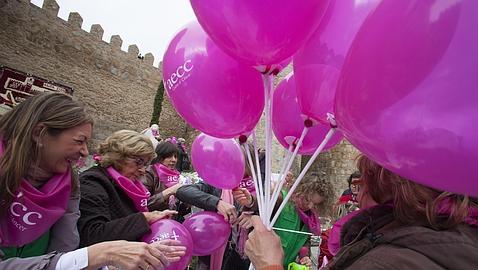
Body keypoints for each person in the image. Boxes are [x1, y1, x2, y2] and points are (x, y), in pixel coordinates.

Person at [0, 93, 185, 270]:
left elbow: (65, 252)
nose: (85, 152)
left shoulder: (67, 185)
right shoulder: (93, 182)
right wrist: (103, 254)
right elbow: (89, 239)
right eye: (79, 141)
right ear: (39, 134)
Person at [246, 154, 478, 270]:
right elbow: (263, 205)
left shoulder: (389, 260)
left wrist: (269, 265)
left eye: (363, 179)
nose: (358, 192)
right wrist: (249, 204)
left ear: (387, 183)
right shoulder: (455, 237)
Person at [78, 130, 179, 247]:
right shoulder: (93, 181)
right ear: (118, 156)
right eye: (139, 162)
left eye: (145, 164)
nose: (143, 170)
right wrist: (145, 218)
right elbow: (92, 234)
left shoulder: (128, 185)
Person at [143, 141, 190, 220]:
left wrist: (187, 203)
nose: (174, 160)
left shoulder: (177, 175)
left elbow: (177, 211)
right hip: (154, 223)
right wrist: (169, 192)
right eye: (169, 156)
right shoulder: (148, 173)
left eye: (175, 156)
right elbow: (144, 204)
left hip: (173, 223)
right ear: (160, 157)